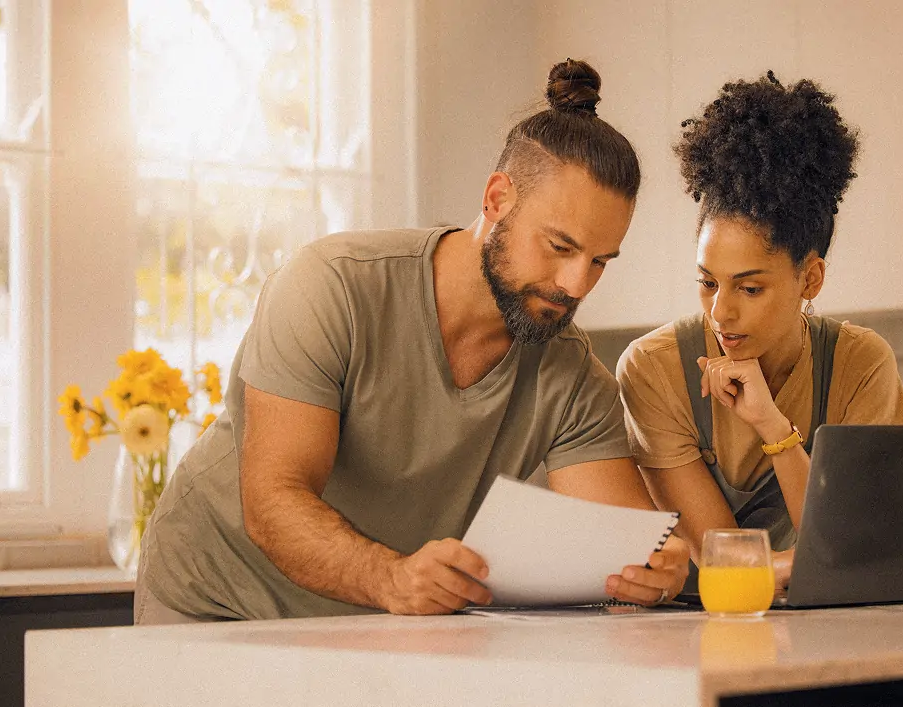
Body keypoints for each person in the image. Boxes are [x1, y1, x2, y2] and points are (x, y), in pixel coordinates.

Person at [134, 59, 689, 623]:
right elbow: (274, 501)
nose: (576, 285)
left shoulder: (572, 378)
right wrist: (390, 577)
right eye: (559, 247)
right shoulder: (331, 286)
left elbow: (625, 543)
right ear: (497, 199)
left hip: (368, 620)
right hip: (214, 598)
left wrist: (654, 570)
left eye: (600, 261)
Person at [616, 72, 903, 591]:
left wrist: (773, 428)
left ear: (811, 277)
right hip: (698, 638)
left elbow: (858, 552)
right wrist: (798, 565)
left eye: (750, 289)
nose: (720, 313)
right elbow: (727, 565)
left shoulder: (860, 365)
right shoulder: (656, 369)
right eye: (708, 283)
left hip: (835, 633)